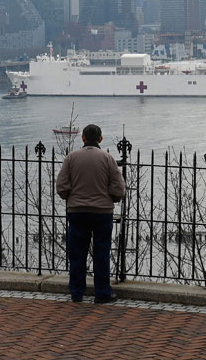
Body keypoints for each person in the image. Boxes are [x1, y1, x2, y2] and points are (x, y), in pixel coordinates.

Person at [55, 123, 126, 304]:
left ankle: (76, 292)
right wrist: (112, 199)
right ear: (100, 139)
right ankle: (102, 293)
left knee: (77, 254)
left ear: (83, 138)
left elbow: (61, 186)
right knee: (102, 253)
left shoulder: (71, 158)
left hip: (77, 212)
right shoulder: (108, 158)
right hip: (102, 213)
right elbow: (119, 188)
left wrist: (71, 198)